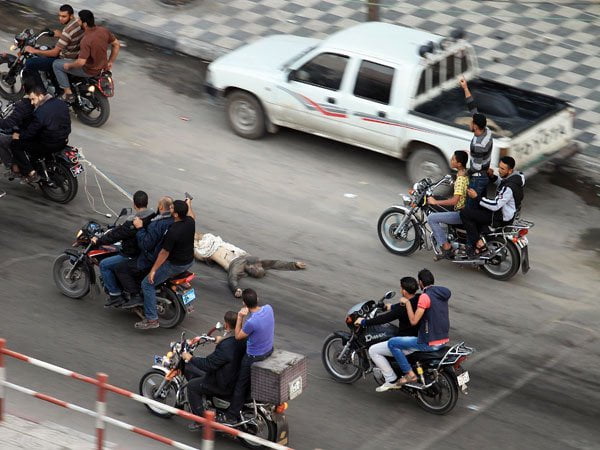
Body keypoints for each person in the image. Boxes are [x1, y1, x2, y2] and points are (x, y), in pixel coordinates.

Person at [128, 198, 195, 330]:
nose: (169, 209)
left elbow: (164, 253)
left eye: (172, 208)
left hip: (175, 264)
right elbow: (192, 214)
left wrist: (153, 271)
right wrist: (189, 204)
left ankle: (152, 319)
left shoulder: (173, 231)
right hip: (189, 261)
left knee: (146, 283)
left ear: (175, 214)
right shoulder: (190, 222)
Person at [382, 269, 451, 390]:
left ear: (420, 282)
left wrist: (407, 303)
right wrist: (392, 306)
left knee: (393, 343)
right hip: (443, 339)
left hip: (430, 342)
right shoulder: (440, 293)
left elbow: (414, 321)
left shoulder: (425, 297)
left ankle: (410, 374)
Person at [354, 277, 421, 392]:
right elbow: (398, 307)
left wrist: (364, 322)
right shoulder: (418, 298)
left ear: (404, 291)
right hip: (419, 338)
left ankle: (391, 379)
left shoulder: (403, 308)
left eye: (401, 288)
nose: (400, 290)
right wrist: (386, 306)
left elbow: (384, 319)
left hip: (407, 343)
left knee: (373, 350)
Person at [183, 311, 246, 431]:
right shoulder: (243, 337)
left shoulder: (225, 347)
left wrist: (190, 358)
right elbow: (233, 342)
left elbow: (208, 364)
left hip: (224, 383)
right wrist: (222, 339)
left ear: (226, 325)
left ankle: (201, 420)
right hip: (236, 376)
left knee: (192, 386)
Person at [91, 190, 154, 307]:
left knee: (104, 264)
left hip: (133, 254)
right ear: (147, 202)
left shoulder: (133, 222)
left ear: (134, 205)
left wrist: (98, 240)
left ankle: (115, 295)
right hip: (147, 252)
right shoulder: (153, 216)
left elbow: (115, 235)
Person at [194, 232, 307, 297]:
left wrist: (236, 289)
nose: (257, 265)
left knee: (192, 244)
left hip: (209, 252)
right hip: (221, 245)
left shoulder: (237, 267)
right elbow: (274, 263)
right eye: (258, 266)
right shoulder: (255, 261)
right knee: (199, 235)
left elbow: (232, 278)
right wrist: (294, 265)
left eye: (255, 268)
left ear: (250, 268)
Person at [225, 288, 274, 423]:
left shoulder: (251, 322)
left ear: (244, 304)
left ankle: (231, 416)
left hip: (254, 356)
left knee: (240, 384)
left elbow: (238, 336)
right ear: (257, 299)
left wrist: (240, 316)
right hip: (268, 350)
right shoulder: (269, 309)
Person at [460, 156, 525, 257]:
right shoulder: (515, 179)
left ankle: (478, 244)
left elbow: (495, 205)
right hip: (507, 213)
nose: (499, 170)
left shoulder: (509, 188)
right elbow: (502, 183)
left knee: (465, 213)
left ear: (510, 170)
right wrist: (492, 176)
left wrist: (476, 197)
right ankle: (484, 235)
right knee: (478, 210)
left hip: (500, 216)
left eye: (503, 169)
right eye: (499, 167)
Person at [114, 196, 174, 303]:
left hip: (150, 258)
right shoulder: (173, 220)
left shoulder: (157, 224)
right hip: (165, 257)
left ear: (160, 206)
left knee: (120, 268)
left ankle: (135, 296)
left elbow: (146, 245)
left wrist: (140, 228)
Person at [52, 10, 120, 101]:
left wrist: (69, 65)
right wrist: (110, 61)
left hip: (88, 70)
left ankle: (68, 93)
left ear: (84, 23)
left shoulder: (86, 40)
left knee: (56, 64)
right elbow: (116, 45)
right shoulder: (103, 30)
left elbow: (81, 62)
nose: (78, 22)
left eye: (79, 20)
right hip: (102, 67)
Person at [10, 84, 70, 181]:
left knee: (15, 145)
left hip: (49, 144)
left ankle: (31, 173)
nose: (32, 103)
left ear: (41, 96)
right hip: (64, 139)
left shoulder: (40, 112)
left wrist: (19, 135)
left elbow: (30, 132)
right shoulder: (61, 103)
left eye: (33, 99)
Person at [23, 4, 84, 92]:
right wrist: (61, 35)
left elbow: (55, 52)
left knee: (30, 63)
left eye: (64, 16)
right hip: (75, 54)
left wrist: (34, 50)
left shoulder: (67, 31)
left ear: (71, 16)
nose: (60, 18)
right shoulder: (77, 24)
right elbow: (72, 38)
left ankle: (41, 92)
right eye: (59, 16)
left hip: (66, 58)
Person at [426, 150, 469, 260]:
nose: (451, 160)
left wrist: (435, 202)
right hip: (463, 207)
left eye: (453, 159)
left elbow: (455, 201)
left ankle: (446, 247)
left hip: (459, 212)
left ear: (459, 164)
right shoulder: (464, 173)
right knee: (439, 201)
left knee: (431, 218)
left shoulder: (460, 180)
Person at [459, 77, 493, 209]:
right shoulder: (487, 130)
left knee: (469, 208)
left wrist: (465, 172)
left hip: (478, 178)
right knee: (481, 206)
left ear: (476, 127)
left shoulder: (479, 144)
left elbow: (477, 167)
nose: (469, 122)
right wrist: (465, 88)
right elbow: (472, 107)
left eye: (471, 122)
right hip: (483, 175)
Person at [0, 76, 36, 174]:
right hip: (44, 133)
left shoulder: (24, 105)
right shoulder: (45, 101)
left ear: (23, 88)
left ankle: (12, 166)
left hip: (29, 136)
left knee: (2, 140)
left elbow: (8, 123)